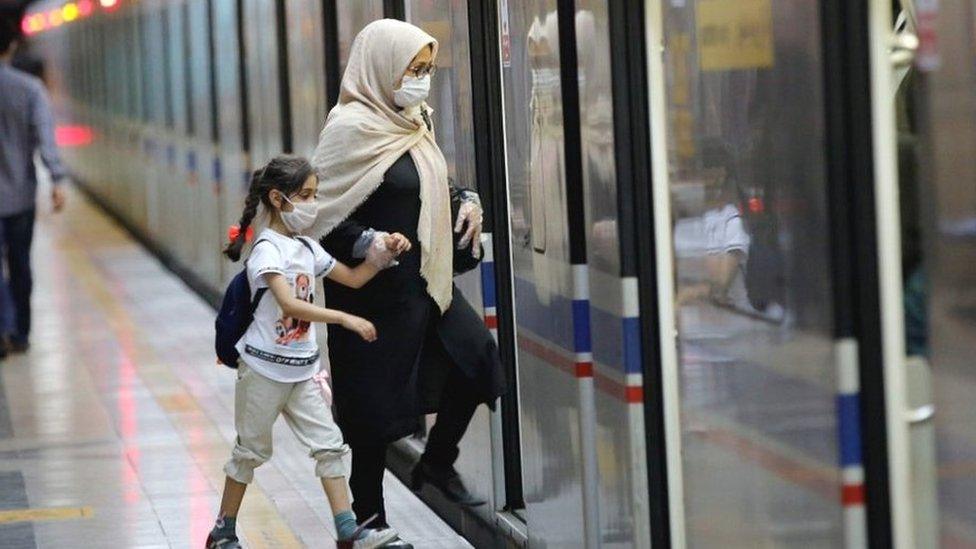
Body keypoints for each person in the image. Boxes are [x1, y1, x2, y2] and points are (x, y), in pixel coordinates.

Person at [312, 19, 507, 542]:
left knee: (478, 361)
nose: (420, 80)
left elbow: (433, 184)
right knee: (371, 414)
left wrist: (466, 201)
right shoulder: (348, 130)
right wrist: (367, 243)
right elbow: (319, 216)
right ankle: (368, 524)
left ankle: (437, 463)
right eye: (411, 69)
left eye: (425, 69)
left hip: (426, 286)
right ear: (381, 69)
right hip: (373, 294)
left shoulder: (414, 122)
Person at [208, 155, 409, 549]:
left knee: (330, 446)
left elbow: (352, 278)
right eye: (305, 196)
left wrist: (384, 251)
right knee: (250, 451)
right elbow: (290, 305)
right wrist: (345, 320)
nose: (313, 205)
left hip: (302, 371)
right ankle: (223, 530)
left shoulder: (305, 247)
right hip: (263, 369)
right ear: (278, 199)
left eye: (315, 195)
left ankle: (348, 531)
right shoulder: (267, 250)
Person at [0, 15, 68, 357]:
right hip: (19, 197)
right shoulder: (28, 89)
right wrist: (56, 179)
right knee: (20, 264)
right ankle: (20, 333)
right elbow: (45, 138)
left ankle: (2, 325)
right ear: (12, 45)